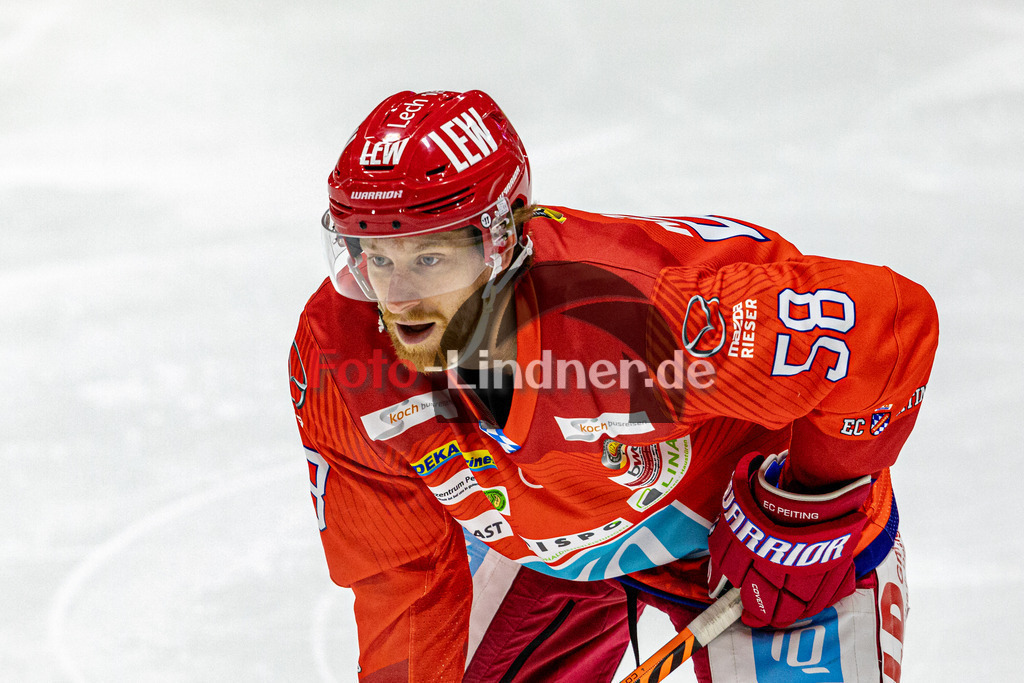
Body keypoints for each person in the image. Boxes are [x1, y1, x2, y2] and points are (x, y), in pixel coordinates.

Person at [289, 89, 937, 683]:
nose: (398, 299)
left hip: (756, 534)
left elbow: (889, 325)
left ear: (501, 239)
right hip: (546, 548)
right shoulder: (340, 357)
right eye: (377, 258)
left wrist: (810, 504)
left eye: (429, 258)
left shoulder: (634, 320)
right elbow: (401, 575)